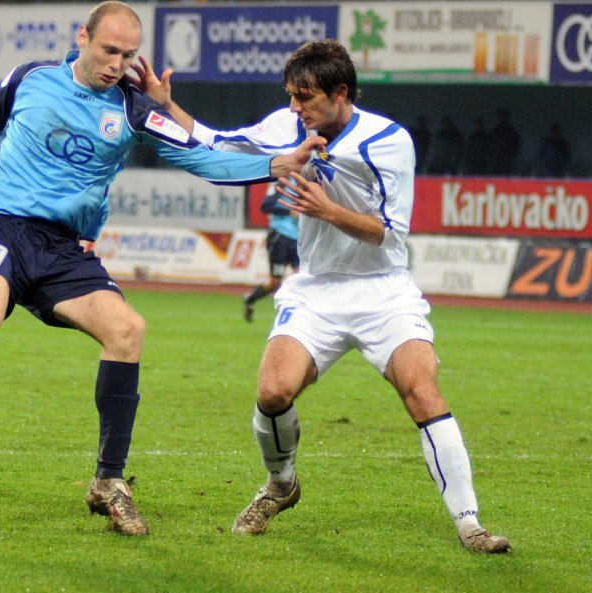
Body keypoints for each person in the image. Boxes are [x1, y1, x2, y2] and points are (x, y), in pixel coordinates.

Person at [0, 1, 322, 537]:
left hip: (62, 248)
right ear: (83, 37)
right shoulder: (33, 78)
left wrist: (272, 164)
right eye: (109, 49)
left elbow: (201, 156)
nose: (117, 62)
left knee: (127, 330)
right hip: (0, 224)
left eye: (128, 54)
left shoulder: (134, 109)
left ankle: (108, 482)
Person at [130, 39, 510, 552]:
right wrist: (165, 104)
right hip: (316, 290)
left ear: (341, 93)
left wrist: (326, 209)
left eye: (304, 97)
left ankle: (470, 525)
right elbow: (220, 141)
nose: (294, 107)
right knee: (272, 392)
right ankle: (281, 484)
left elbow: (391, 234)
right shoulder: (288, 127)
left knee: (422, 392)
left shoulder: (388, 141)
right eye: (290, 95)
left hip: (384, 292)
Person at [244, 185, 299, 322]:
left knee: (302, 276)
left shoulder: (311, 178)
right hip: (280, 236)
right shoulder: (282, 182)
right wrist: (289, 211)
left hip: (299, 238)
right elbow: (266, 206)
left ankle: (297, 317)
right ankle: (250, 299)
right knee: (275, 281)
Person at [488, 108, 520, 175]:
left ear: (507, 118)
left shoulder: (511, 131)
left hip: (507, 161)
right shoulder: (495, 131)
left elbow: (516, 146)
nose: (501, 119)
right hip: (496, 161)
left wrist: (510, 157)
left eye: (503, 116)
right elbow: (490, 146)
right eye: (499, 117)